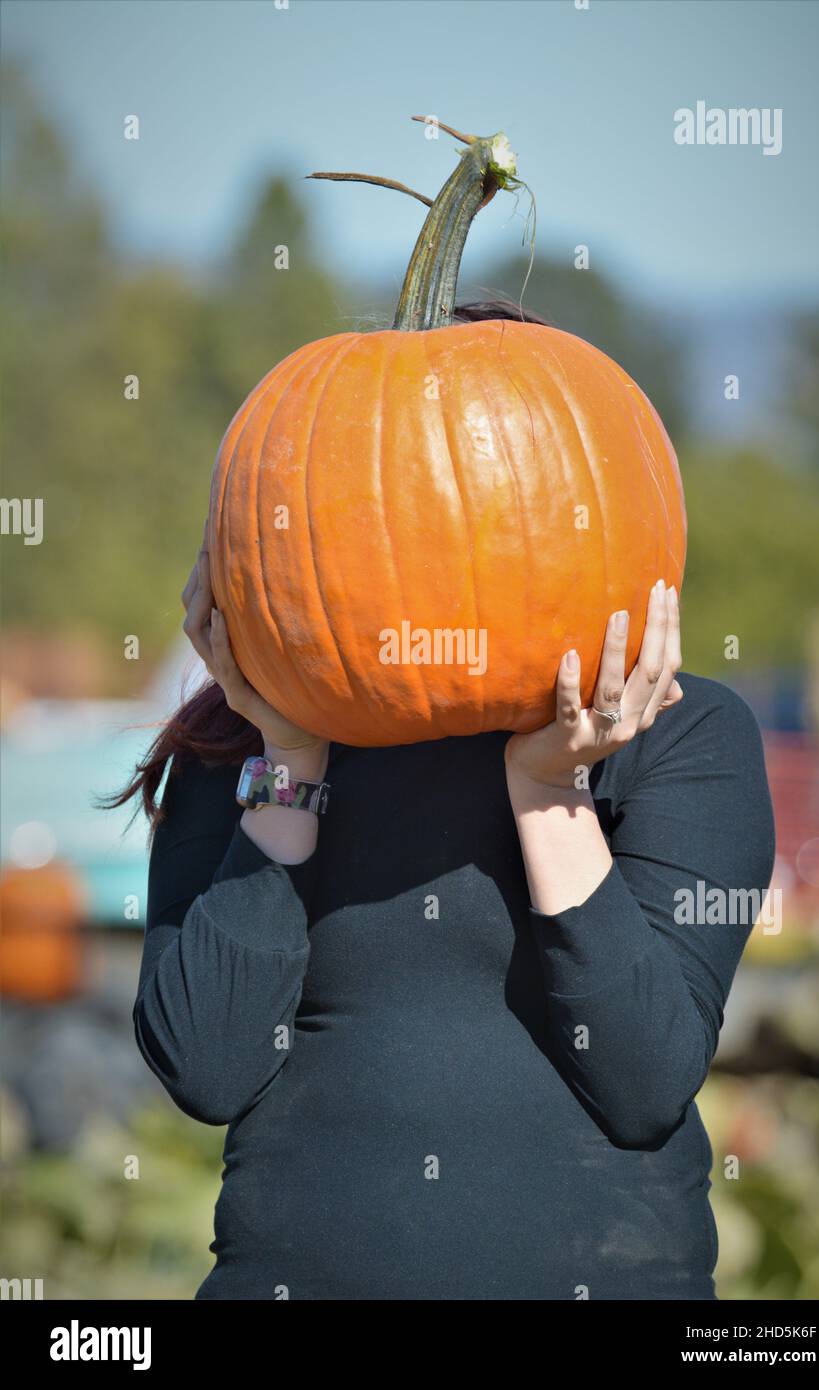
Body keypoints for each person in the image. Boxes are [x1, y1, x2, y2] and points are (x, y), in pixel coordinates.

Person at [111, 298, 776, 1301]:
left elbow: (642, 1081)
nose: (430, 541)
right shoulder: (239, 748)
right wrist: (290, 751)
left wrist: (548, 789)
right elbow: (206, 1067)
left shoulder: (681, 736)